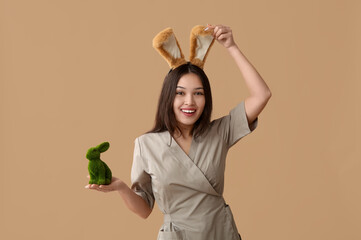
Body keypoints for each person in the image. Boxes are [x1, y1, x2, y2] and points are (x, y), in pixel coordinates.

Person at [85, 24, 271, 240]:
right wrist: (120, 187)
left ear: (206, 98)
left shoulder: (220, 132)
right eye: (180, 93)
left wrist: (231, 47)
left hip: (221, 233)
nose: (189, 102)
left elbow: (262, 94)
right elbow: (144, 210)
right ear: (168, 97)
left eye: (198, 93)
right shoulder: (146, 144)